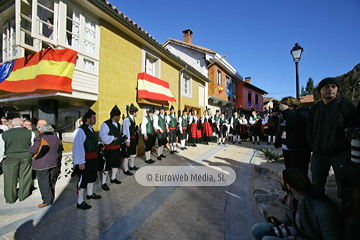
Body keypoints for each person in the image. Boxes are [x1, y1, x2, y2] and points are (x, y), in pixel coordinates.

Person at [251, 168, 344, 240]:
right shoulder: (291, 197)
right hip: (297, 231)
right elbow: (288, 219)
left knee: (267, 239)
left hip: (308, 237)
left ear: (288, 186)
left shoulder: (323, 212)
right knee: (257, 229)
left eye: (282, 180)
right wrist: (280, 225)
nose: (280, 181)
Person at [306, 77, 357, 197]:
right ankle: (319, 211)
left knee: (344, 187)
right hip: (318, 153)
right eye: (326, 87)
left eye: (333, 87)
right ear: (320, 91)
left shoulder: (346, 105)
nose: (330, 89)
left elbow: (355, 128)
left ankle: (346, 213)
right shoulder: (315, 109)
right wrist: (312, 144)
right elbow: (309, 128)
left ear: (337, 89)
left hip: (340, 155)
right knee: (317, 185)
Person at [0, 118, 35, 203]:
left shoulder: (4, 134)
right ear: (22, 124)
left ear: (12, 124)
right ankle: (23, 195)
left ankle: (10, 198)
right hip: (26, 157)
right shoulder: (30, 133)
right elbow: (32, 146)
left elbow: (1, 148)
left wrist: (1, 159)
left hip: (10, 158)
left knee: (10, 178)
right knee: (25, 176)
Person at [73, 109, 101, 210]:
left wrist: (99, 145)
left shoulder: (91, 129)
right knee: (83, 180)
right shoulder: (81, 130)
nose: (95, 120)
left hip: (93, 158)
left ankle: (90, 194)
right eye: (94, 118)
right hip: (85, 159)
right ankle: (80, 202)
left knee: (92, 177)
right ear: (88, 119)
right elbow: (78, 147)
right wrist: (80, 162)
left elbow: (91, 142)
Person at [28, 124, 59, 208]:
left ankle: (47, 200)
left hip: (41, 163)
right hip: (53, 162)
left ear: (41, 131)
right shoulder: (55, 137)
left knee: (43, 182)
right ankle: (51, 196)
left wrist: (28, 148)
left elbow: (33, 150)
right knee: (50, 180)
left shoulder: (40, 138)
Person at [278, 97, 311, 174]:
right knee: (289, 170)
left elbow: (297, 122)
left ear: (291, 106)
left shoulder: (304, 112)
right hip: (287, 146)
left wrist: (287, 111)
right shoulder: (287, 113)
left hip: (299, 149)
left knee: (298, 172)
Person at [99, 105, 123, 191]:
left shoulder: (119, 125)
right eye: (119, 116)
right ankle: (104, 183)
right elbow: (102, 136)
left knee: (116, 163)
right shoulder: (106, 124)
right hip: (109, 149)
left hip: (117, 148)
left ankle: (113, 178)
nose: (119, 117)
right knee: (107, 165)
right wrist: (112, 138)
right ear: (115, 116)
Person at [122, 103, 140, 175]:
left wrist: (136, 131)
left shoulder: (132, 119)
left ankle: (132, 166)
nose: (137, 113)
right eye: (137, 112)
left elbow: (131, 130)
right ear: (134, 112)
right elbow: (126, 131)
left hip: (133, 139)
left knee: (133, 153)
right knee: (127, 155)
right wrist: (127, 141)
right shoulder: (127, 120)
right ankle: (126, 169)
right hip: (129, 140)